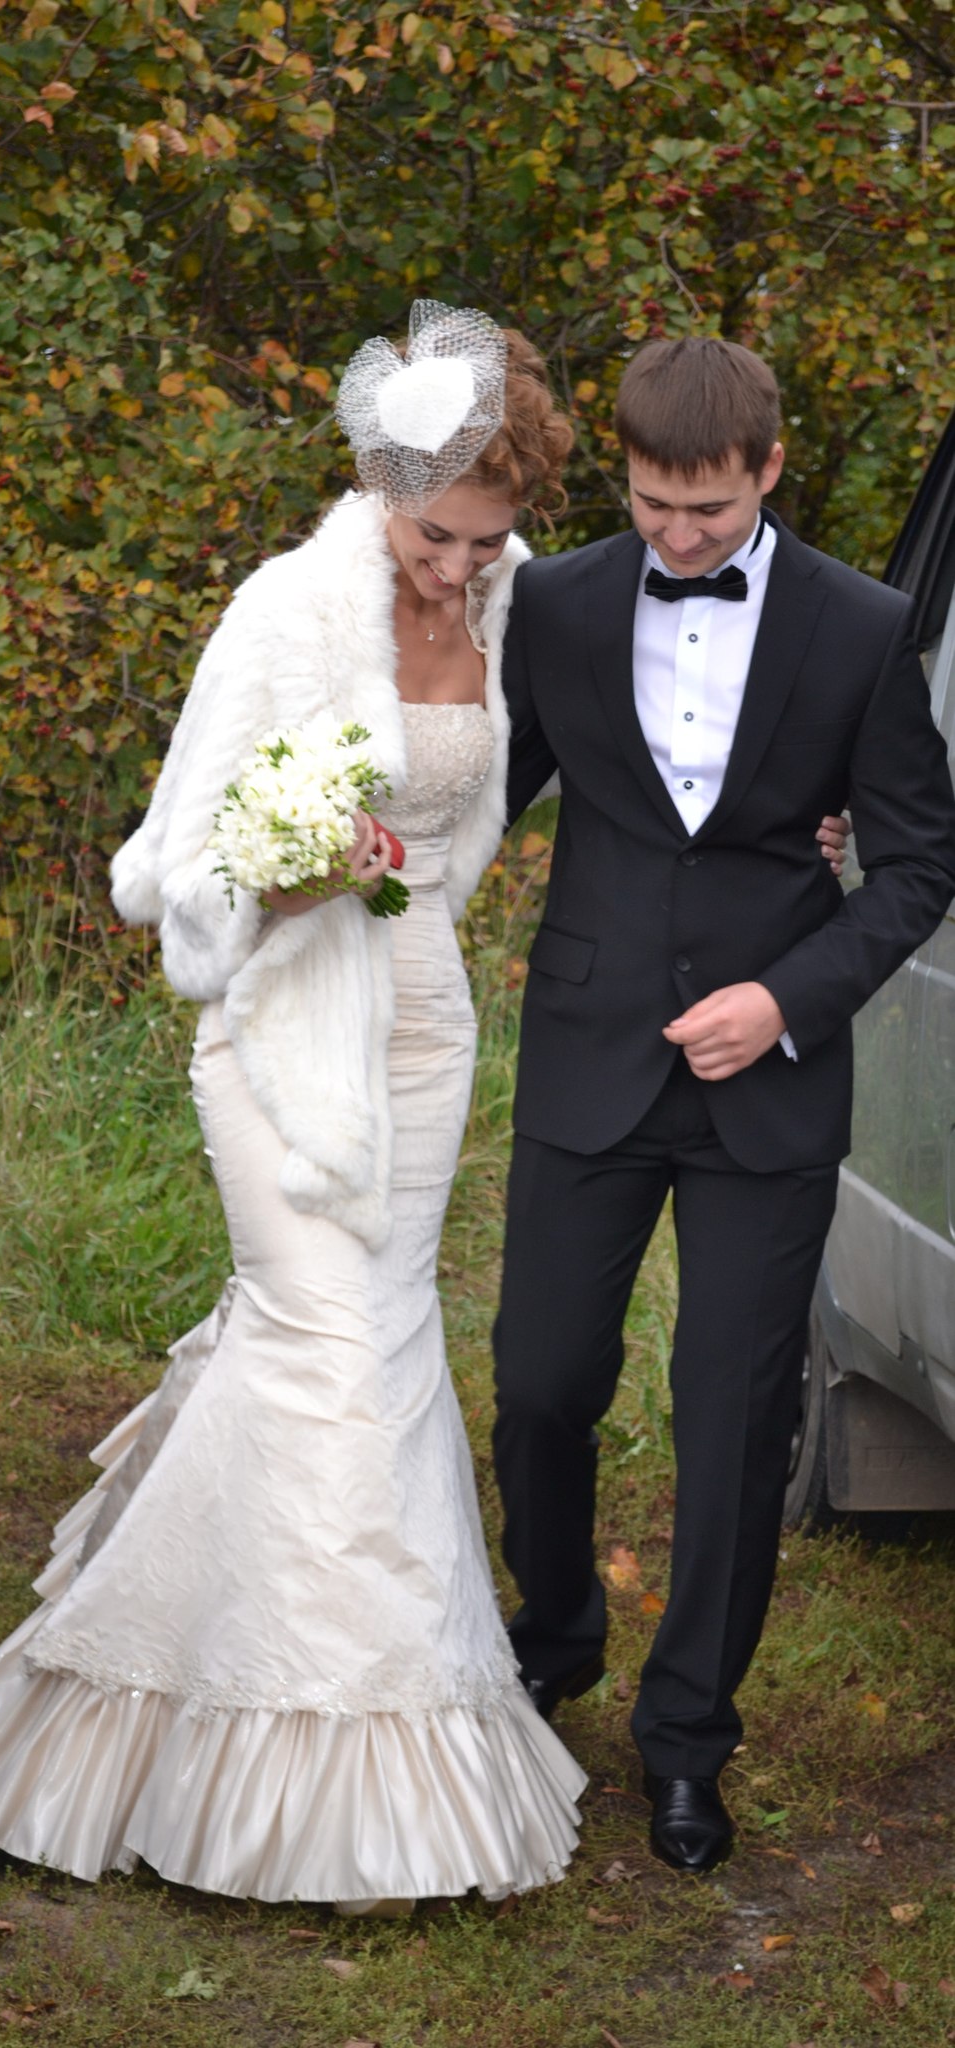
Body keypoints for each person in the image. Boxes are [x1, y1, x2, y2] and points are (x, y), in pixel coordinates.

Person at [0, 302, 589, 1908]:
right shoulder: (283, 611)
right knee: (322, 1351)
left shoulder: (514, 599)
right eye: (435, 539)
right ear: (378, 487)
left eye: (486, 540)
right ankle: (319, 1769)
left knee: (386, 1350)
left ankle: (322, 1743)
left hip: (422, 1025)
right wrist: (290, 875)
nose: (456, 571)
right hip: (282, 1025)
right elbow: (170, 873)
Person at [492, 335, 955, 1876]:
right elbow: (481, 790)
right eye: (649, 506)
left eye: (706, 509)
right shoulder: (554, 604)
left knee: (734, 1418)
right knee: (540, 1382)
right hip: (589, 1052)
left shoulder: (865, 628)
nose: (677, 537)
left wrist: (788, 1000)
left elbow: (916, 863)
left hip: (770, 1085)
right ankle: (554, 1635)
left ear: (766, 470)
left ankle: (687, 1738)